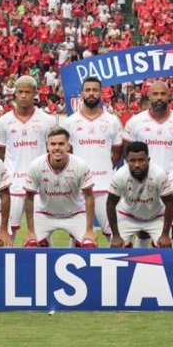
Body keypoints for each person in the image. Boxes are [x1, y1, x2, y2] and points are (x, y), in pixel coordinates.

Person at [123, 80, 173, 247]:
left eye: (163, 94)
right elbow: (127, 152)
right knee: (143, 228)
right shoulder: (135, 122)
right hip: (144, 183)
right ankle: (141, 263)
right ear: (148, 96)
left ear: (169, 96)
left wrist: (170, 168)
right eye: (155, 94)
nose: (159, 97)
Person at [0, 75, 57, 244]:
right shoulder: (3, 121)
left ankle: (44, 268)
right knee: (5, 235)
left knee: (41, 237)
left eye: (27, 92)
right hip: (12, 186)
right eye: (20, 92)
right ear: (14, 93)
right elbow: (0, 153)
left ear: (35, 93)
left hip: (39, 186)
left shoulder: (48, 120)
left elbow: (53, 151)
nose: (23, 96)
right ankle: (4, 267)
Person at [62, 77, 124, 240]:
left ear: (101, 93)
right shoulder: (69, 122)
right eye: (87, 90)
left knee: (115, 234)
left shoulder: (112, 121)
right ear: (82, 93)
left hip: (105, 186)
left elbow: (117, 151)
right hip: (79, 187)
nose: (91, 93)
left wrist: (105, 168)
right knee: (78, 235)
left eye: (95, 90)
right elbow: (68, 153)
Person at [21, 128, 97, 248]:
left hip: (75, 214)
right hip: (45, 214)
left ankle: (76, 246)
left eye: (61, 144)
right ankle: (45, 246)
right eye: (53, 144)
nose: (57, 147)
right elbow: (29, 198)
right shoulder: (36, 165)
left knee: (89, 245)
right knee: (31, 246)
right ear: (47, 146)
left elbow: (89, 197)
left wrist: (89, 229)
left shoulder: (80, 165)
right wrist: (30, 231)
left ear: (68, 146)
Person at [106, 141, 173, 248]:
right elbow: (110, 204)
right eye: (132, 161)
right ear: (127, 160)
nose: (137, 165)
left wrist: (165, 234)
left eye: (141, 160)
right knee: (116, 247)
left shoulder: (159, 174)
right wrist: (115, 235)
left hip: (155, 216)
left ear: (148, 160)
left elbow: (170, 203)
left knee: (165, 245)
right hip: (128, 216)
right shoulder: (120, 175)